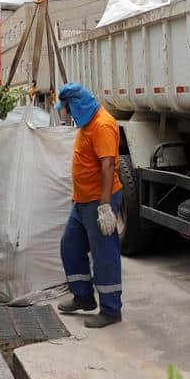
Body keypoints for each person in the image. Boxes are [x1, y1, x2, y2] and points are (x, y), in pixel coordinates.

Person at [55, 82, 124, 328]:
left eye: (69, 109)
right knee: (70, 245)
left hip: (99, 200)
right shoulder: (87, 123)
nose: (68, 114)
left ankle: (111, 309)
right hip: (82, 200)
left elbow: (108, 165)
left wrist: (105, 206)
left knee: (104, 254)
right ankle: (83, 297)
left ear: (78, 105)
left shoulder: (102, 125)